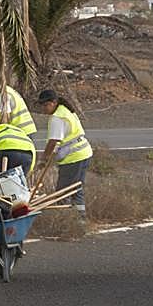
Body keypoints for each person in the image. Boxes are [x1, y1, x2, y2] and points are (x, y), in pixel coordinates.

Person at [37, 89, 93, 219]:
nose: (44, 109)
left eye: (46, 105)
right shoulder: (65, 110)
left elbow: (53, 141)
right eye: (42, 105)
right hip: (84, 153)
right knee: (76, 189)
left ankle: (64, 219)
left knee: (62, 193)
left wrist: (44, 159)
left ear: (54, 102)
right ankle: (80, 219)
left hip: (73, 157)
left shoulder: (57, 117)